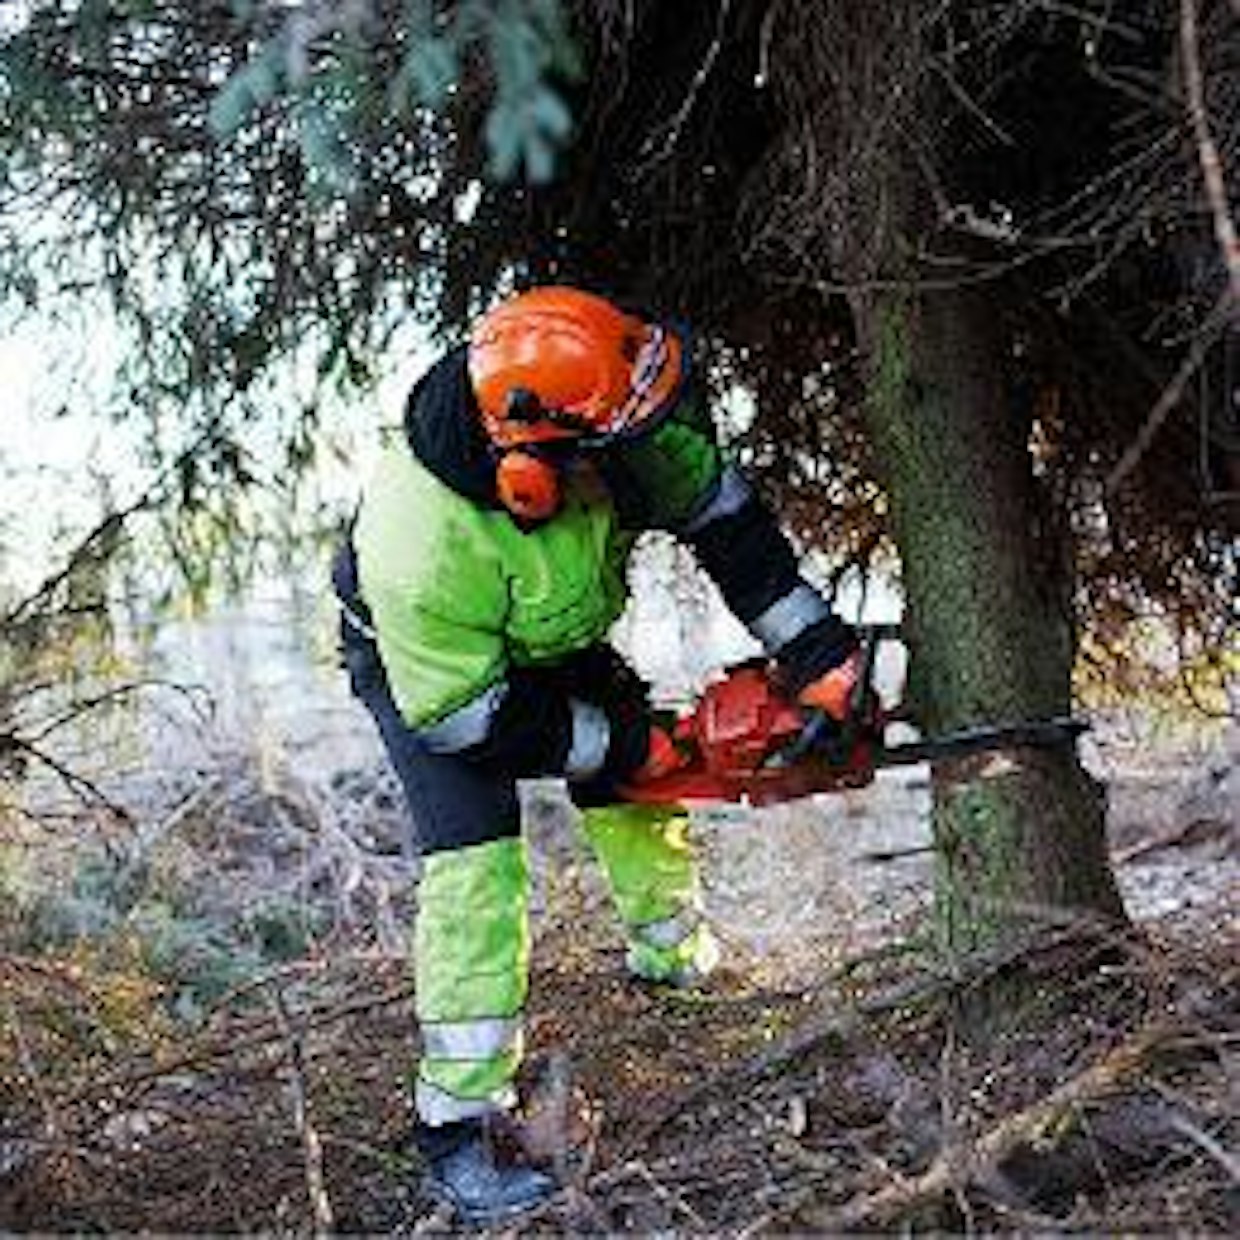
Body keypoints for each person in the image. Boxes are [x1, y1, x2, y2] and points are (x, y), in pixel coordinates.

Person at [333, 286, 860, 1224]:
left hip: (550, 629)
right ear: (529, 471)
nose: (638, 463)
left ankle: (674, 957)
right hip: (438, 678)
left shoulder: (611, 419)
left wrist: (816, 654)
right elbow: (462, 717)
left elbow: (730, 526)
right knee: (477, 860)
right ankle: (458, 1124)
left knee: (638, 776)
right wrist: (620, 741)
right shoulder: (422, 542)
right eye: (612, 457)